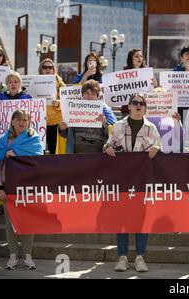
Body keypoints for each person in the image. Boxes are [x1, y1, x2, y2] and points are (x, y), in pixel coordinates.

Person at [103, 94, 161, 272]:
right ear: (129, 106)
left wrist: (157, 148)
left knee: (142, 220)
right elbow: (107, 145)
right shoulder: (118, 126)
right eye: (135, 103)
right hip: (123, 182)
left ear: (145, 107)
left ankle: (140, 257)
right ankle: (122, 257)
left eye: (142, 104)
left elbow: (160, 150)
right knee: (122, 219)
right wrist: (108, 148)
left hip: (143, 182)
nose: (138, 106)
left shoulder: (152, 128)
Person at [0, 110, 43, 270]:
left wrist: (16, 154)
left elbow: (38, 161)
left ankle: (28, 255)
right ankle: (13, 255)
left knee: (28, 222)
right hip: (8, 188)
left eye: (25, 120)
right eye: (18, 119)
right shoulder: (3, 141)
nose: (22, 122)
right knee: (10, 224)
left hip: (27, 188)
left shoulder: (33, 138)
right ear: (12, 122)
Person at [59, 80, 116, 154]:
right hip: (77, 156)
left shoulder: (105, 111)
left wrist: (104, 123)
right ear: (82, 95)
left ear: (97, 96)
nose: (90, 96)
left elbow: (113, 134)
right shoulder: (72, 110)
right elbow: (66, 135)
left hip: (98, 156)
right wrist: (62, 129)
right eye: (87, 93)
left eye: (93, 94)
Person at [38, 58, 66, 154]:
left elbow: (68, 101)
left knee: (54, 150)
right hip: (40, 122)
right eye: (44, 67)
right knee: (39, 150)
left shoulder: (60, 83)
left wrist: (58, 103)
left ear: (54, 70)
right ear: (41, 70)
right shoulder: (35, 82)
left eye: (50, 67)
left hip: (56, 122)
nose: (47, 69)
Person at [120, 48, 158, 118]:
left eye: (141, 56)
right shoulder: (124, 73)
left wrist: (155, 85)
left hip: (142, 110)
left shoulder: (147, 72)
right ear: (131, 59)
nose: (139, 58)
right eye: (136, 56)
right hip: (127, 111)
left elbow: (151, 91)